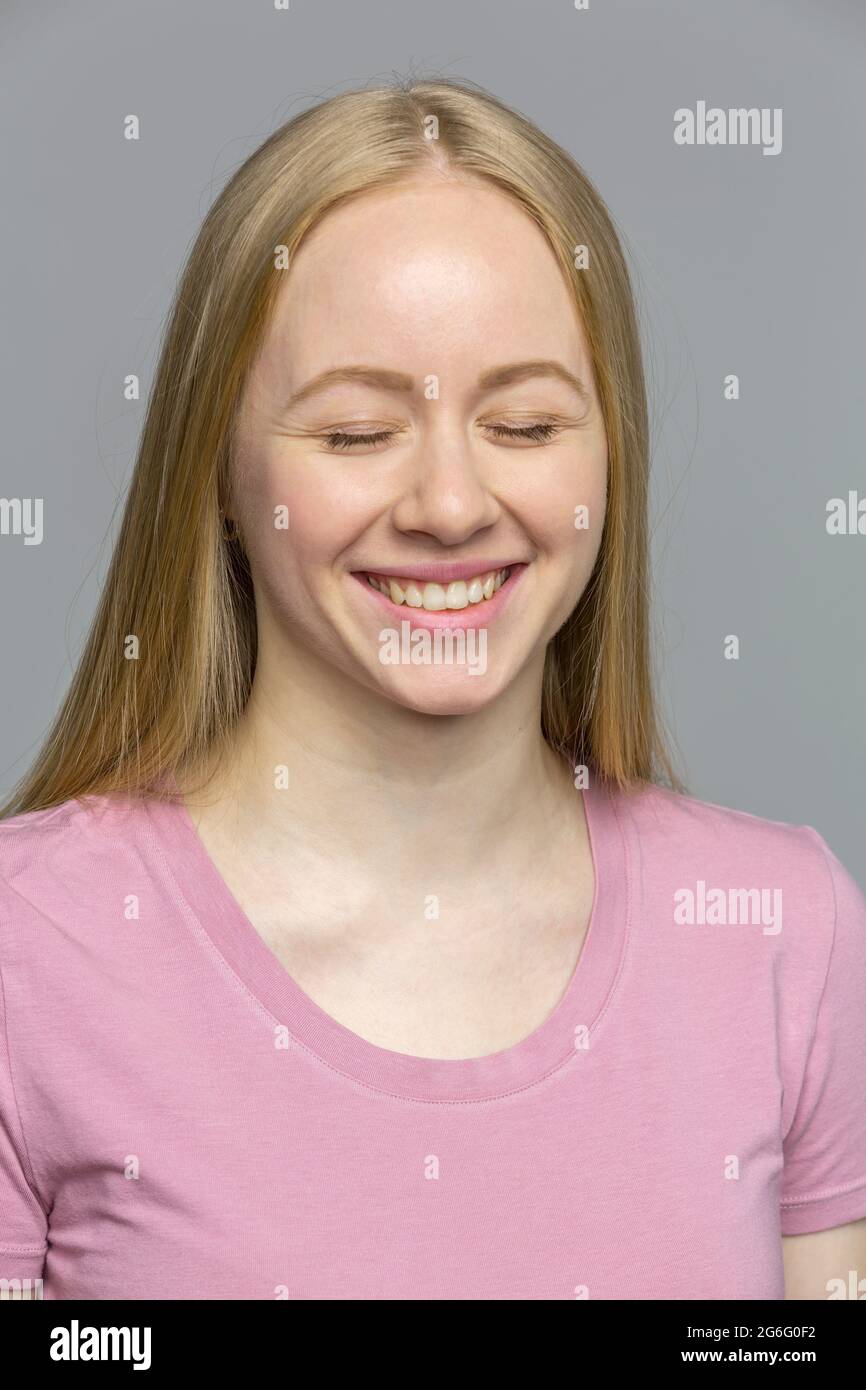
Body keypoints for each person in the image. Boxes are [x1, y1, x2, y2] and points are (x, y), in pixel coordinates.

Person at [1, 77, 864, 1301]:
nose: (451, 505)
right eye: (355, 434)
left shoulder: (787, 932)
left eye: (522, 425)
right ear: (219, 476)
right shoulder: (28, 953)